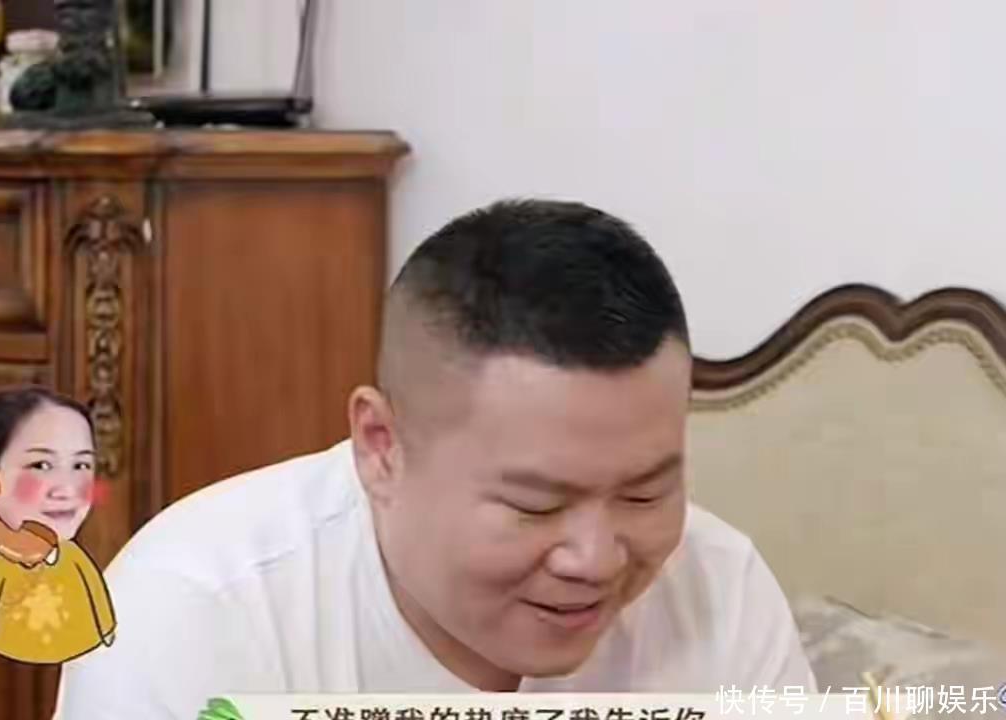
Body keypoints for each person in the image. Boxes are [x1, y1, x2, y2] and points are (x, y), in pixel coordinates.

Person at [55, 199, 815, 719]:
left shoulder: (720, 591)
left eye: (646, 494)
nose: (596, 558)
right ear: (381, 446)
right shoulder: (192, 612)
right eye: (537, 505)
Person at [0, 387, 116, 664]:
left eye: (81, 465)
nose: (67, 489)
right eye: (41, 465)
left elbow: (94, 595)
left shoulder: (74, 557)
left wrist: (107, 631)